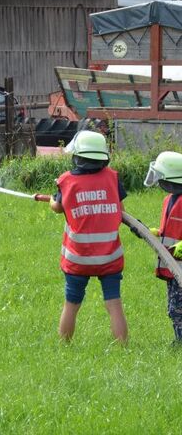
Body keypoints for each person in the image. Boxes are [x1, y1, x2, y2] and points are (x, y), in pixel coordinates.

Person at [48, 131, 128, 343]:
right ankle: (123, 347)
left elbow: (57, 208)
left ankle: (64, 346)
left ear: (77, 156)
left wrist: (52, 199)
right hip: (110, 257)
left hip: (78, 259)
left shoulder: (66, 181)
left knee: (71, 304)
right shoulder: (113, 178)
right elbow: (120, 210)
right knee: (114, 303)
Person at [143, 151, 182, 344]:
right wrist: (157, 233)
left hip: (180, 267)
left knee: (178, 309)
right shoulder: (169, 200)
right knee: (173, 307)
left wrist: (179, 248)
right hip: (171, 266)